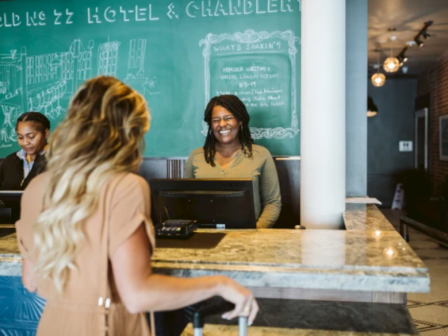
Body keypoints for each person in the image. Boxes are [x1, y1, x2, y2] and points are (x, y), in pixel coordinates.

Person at [15, 76, 258, 336]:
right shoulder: (125, 186)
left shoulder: (37, 187)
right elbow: (136, 295)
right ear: (129, 130)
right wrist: (220, 284)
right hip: (109, 327)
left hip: (53, 325)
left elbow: (31, 280)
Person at [184, 94, 281, 228]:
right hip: (204, 237)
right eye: (216, 120)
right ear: (210, 125)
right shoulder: (196, 156)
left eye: (228, 118)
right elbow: (185, 202)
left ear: (240, 121)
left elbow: (272, 203)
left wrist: (255, 233)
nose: (222, 124)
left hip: (249, 238)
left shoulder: (261, 155)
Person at [0, 112, 50, 190]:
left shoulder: (58, 161)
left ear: (46, 133)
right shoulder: (10, 161)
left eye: (31, 137)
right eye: (20, 137)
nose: (25, 142)